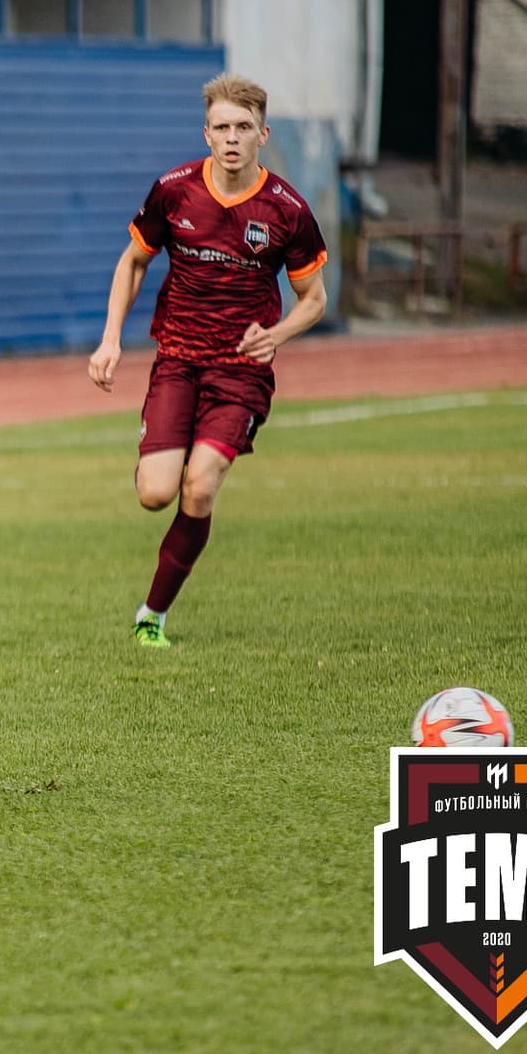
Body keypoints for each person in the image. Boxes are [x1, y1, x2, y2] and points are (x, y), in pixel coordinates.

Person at [86, 75, 328, 647]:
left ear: (262, 134)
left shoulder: (287, 209)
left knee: (199, 488)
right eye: (221, 128)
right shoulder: (174, 190)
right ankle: (165, 452)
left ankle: (153, 616)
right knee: (155, 493)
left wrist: (278, 335)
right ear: (207, 134)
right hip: (177, 358)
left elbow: (314, 300)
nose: (232, 139)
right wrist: (110, 338)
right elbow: (133, 263)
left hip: (241, 371)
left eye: (243, 128)